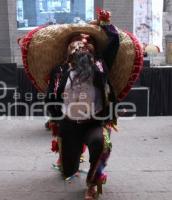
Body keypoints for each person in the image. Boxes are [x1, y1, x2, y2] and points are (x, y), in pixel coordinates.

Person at [19, 9, 143, 200]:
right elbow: (51, 98)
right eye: (77, 40)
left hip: (94, 123)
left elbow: (114, 42)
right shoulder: (59, 71)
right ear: (69, 48)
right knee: (69, 170)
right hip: (68, 126)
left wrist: (105, 23)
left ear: (94, 49)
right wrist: (57, 118)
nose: (83, 43)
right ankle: (69, 162)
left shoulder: (101, 65)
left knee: (102, 144)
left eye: (88, 41)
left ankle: (92, 184)